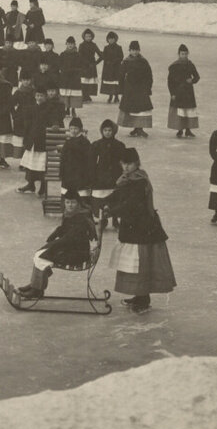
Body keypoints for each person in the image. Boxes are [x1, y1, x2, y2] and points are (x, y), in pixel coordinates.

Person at [99, 147, 176, 313]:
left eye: (130, 164)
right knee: (134, 264)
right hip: (133, 227)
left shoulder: (139, 181)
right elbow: (119, 195)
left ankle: (143, 298)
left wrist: (111, 211)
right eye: (123, 164)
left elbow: (131, 204)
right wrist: (103, 201)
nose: (126, 167)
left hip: (143, 228)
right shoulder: (127, 179)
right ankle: (139, 295)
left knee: (141, 262)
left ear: (137, 163)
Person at [14, 191, 98, 299]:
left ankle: (37, 290)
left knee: (41, 258)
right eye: (68, 202)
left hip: (77, 254)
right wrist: (55, 234)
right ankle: (35, 285)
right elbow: (65, 229)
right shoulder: (72, 214)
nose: (70, 205)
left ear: (78, 203)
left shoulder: (80, 218)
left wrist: (51, 247)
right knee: (39, 254)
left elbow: (68, 238)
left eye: (73, 202)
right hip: (72, 248)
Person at [17, 85, 61, 197]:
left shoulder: (50, 108)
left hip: (43, 142)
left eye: (41, 95)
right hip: (32, 140)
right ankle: (30, 185)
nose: (39, 98)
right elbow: (26, 124)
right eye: (37, 95)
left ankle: (43, 187)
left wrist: (55, 124)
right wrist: (26, 138)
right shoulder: (30, 108)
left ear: (45, 96)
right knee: (30, 164)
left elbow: (55, 118)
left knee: (42, 166)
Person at [89, 119, 126, 229]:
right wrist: (93, 175)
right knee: (101, 198)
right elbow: (92, 161)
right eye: (105, 130)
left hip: (115, 175)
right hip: (101, 176)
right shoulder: (97, 145)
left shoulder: (119, 145)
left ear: (113, 131)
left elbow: (123, 161)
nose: (108, 133)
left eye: (110, 130)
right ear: (102, 131)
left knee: (115, 198)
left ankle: (115, 219)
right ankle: (103, 219)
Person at [118, 40, 154, 138]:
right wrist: (121, 89)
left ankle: (140, 128)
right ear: (129, 50)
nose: (135, 52)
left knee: (141, 109)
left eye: (137, 50)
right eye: (133, 50)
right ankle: (135, 128)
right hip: (130, 89)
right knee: (132, 109)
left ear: (139, 50)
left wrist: (148, 87)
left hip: (141, 89)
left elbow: (149, 75)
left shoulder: (143, 61)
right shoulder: (126, 61)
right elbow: (121, 76)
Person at [167, 44, 201, 138]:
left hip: (188, 92)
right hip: (178, 92)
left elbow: (197, 77)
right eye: (182, 54)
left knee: (188, 111)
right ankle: (180, 130)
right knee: (180, 111)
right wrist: (172, 93)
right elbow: (170, 82)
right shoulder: (174, 66)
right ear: (178, 54)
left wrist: (192, 80)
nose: (184, 56)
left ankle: (188, 130)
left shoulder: (190, 65)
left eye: (186, 54)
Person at [60, 116, 92, 198]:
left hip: (80, 172)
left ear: (80, 129)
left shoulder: (85, 142)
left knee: (80, 190)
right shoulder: (68, 142)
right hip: (68, 172)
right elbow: (63, 158)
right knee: (67, 187)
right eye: (71, 128)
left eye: (76, 128)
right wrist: (62, 172)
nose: (73, 131)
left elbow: (88, 160)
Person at [10, 71, 37, 163]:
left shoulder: (34, 92)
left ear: (31, 81)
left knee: (29, 138)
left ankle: (27, 161)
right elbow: (11, 104)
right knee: (20, 138)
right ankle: (22, 161)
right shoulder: (18, 92)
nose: (26, 82)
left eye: (28, 80)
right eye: (24, 80)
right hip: (20, 118)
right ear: (21, 81)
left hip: (31, 118)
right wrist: (14, 115)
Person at [58, 36, 82, 117]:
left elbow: (80, 65)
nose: (70, 45)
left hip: (74, 77)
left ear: (74, 44)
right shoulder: (63, 54)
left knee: (73, 94)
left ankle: (73, 109)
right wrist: (62, 70)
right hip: (65, 77)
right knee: (66, 94)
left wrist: (75, 71)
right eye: (68, 44)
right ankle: (67, 109)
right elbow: (60, 64)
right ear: (66, 44)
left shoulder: (78, 55)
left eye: (72, 44)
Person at [78, 29, 101, 104]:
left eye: (89, 36)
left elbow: (101, 55)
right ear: (83, 37)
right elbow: (80, 56)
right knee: (84, 81)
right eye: (86, 36)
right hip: (83, 65)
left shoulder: (94, 45)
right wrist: (85, 63)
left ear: (92, 37)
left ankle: (87, 95)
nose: (88, 38)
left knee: (90, 82)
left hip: (91, 66)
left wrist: (95, 63)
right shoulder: (81, 45)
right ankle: (84, 95)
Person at [99, 31, 123, 103]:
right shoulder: (106, 47)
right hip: (108, 68)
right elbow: (104, 56)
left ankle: (116, 96)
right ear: (107, 39)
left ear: (115, 39)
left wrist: (115, 62)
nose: (111, 40)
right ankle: (110, 96)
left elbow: (121, 57)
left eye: (112, 39)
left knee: (115, 83)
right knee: (109, 83)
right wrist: (107, 61)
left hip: (116, 68)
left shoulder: (119, 47)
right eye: (109, 39)